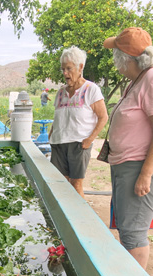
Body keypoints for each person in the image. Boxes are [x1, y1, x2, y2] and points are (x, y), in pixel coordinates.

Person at [103, 27, 153, 270]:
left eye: (115, 52)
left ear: (125, 59)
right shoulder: (136, 81)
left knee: (133, 231)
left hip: (137, 168)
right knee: (126, 227)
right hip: (125, 166)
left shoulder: (151, 79)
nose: (113, 58)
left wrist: (146, 173)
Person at [49, 46, 108, 197]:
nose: (65, 73)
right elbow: (58, 117)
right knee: (59, 184)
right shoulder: (61, 92)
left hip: (79, 143)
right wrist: (51, 136)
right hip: (59, 143)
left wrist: (90, 139)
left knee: (76, 185)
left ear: (80, 67)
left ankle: (79, 220)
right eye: (63, 69)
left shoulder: (91, 89)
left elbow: (103, 117)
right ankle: (62, 219)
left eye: (68, 69)